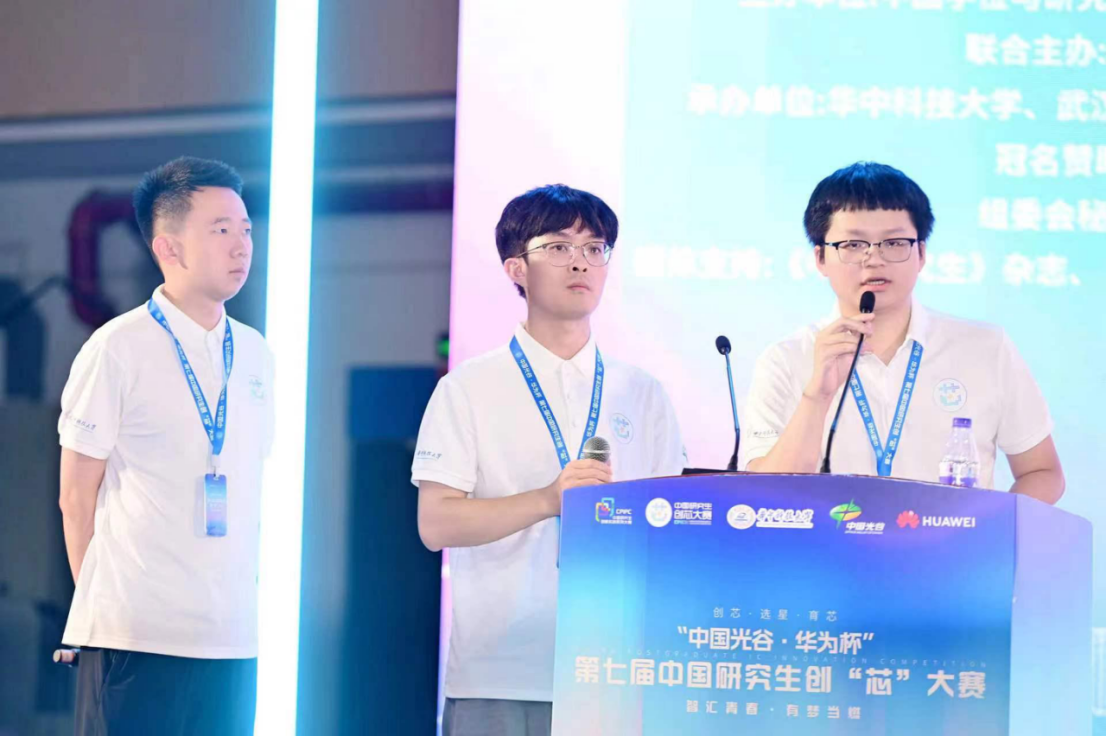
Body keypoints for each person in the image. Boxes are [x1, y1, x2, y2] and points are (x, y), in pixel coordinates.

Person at [412, 184, 686, 735]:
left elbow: (671, 526)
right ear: (517, 268)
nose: (580, 262)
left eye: (594, 248)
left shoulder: (642, 392)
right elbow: (436, 524)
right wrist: (547, 500)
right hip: (499, 674)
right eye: (559, 247)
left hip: (616, 671)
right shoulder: (469, 387)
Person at [58, 156, 274, 735]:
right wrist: (105, 611)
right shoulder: (117, 348)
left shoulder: (256, 353)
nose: (241, 245)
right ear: (168, 248)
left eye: (246, 228)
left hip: (231, 637)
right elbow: (75, 498)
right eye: (221, 229)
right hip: (135, 636)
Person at [740, 161, 1063, 504]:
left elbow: (1043, 472)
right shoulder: (786, 359)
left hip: (953, 541)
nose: (873, 259)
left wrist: (989, 528)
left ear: (921, 253)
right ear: (820, 258)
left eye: (894, 242)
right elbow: (763, 499)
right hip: (826, 540)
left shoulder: (984, 348)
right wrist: (816, 397)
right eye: (853, 244)